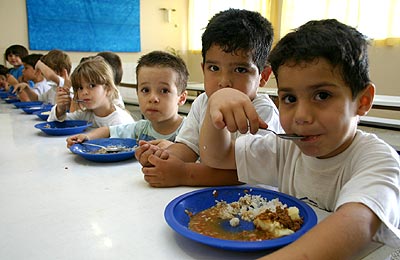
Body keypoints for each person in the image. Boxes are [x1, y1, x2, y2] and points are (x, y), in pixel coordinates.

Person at [198, 19, 400, 259]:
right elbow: (216, 156)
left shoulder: (377, 160)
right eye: (290, 99)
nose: (302, 117)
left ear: (363, 101)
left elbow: (355, 224)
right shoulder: (286, 147)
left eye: (322, 95)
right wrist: (216, 106)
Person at [135, 9, 281, 187]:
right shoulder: (202, 101)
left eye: (240, 70)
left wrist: (183, 174)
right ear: (204, 69)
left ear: (263, 76)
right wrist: (161, 159)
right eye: (214, 68)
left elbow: (247, 172)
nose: (224, 82)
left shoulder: (262, 111)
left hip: (253, 200)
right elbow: (188, 147)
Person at [65, 50, 188, 148]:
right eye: (145, 90)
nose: (152, 98)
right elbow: (108, 130)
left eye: (164, 91)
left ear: (181, 98)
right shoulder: (140, 128)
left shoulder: (190, 129)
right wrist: (87, 137)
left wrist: (175, 150)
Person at [47, 56, 134, 127]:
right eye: (80, 88)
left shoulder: (119, 121)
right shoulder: (87, 115)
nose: (84, 92)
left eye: (92, 86)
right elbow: (52, 125)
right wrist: (60, 109)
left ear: (108, 89)